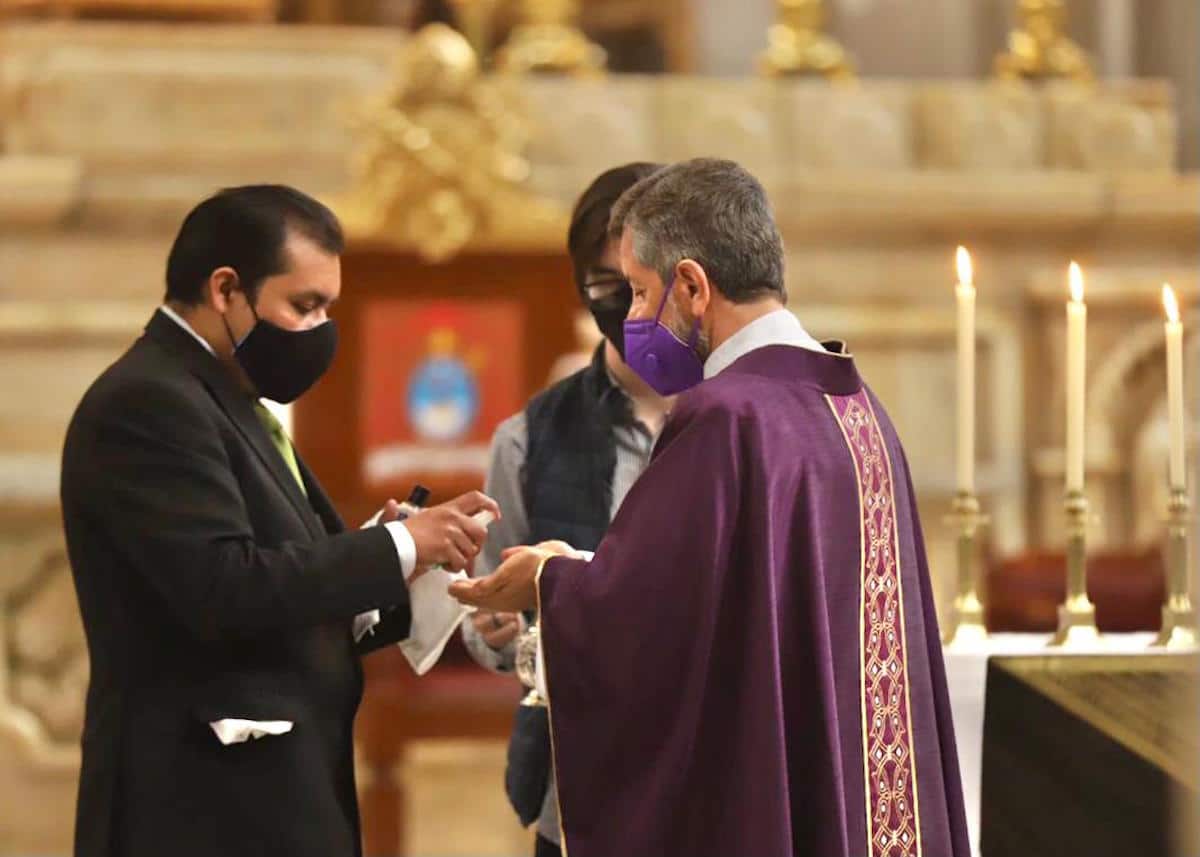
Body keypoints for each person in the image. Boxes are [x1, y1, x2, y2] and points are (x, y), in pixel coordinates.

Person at [451, 159, 970, 857]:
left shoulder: (727, 416)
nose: (630, 319)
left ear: (692, 285)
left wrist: (548, 579)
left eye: (637, 292)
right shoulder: (857, 408)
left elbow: (642, 616)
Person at [60, 185, 498, 857]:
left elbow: (279, 579)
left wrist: (392, 561)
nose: (321, 329)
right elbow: (222, 587)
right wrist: (398, 544)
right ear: (226, 289)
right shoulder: (150, 400)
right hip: (199, 808)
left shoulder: (225, 394)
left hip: (267, 798)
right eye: (305, 305)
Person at [461, 162, 668, 857]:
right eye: (601, 285)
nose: (623, 304)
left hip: (712, 780)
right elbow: (487, 614)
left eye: (634, 281)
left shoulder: (742, 419)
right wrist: (493, 628)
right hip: (578, 793)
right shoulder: (529, 437)